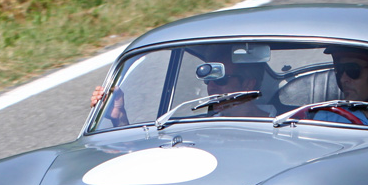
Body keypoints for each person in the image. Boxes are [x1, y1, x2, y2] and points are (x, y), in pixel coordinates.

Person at [90, 59, 269, 127]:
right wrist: (120, 118)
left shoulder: (286, 124)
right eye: (208, 80)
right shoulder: (194, 129)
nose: (212, 86)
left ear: (248, 84)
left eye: (221, 80)